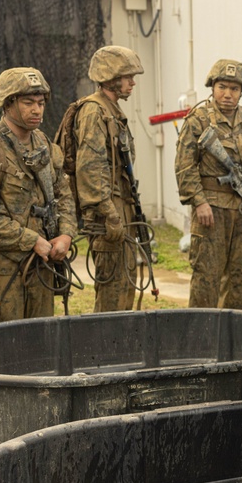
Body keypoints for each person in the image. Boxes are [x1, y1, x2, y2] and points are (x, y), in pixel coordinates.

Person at [0, 67, 76, 323]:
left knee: (41, 344)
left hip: (42, 267)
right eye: (28, 103)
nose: (36, 110)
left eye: (40, 103)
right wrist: (31, 240)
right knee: (2, 349)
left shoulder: (44, 144)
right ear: (8, 103)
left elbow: (63, 195)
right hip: (2, 272)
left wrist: (66, 234)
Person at [175, 59, 242, 309]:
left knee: (239, 278)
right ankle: (200, 342)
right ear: (212, 87)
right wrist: (199, 202)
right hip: (212, 209)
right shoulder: (198, 119)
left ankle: (231, 340)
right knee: (207, 278)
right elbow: (185, 165)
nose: (228, 94)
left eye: (234, 89)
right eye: (222, 87)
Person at [72, 45, 146, 312]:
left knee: (126, 283)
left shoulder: (111, 110)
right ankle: (103, 351)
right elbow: (90, 168)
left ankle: (121, 350)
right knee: (112, 292)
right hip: (109, 214)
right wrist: (109, 213)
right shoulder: (94, 111)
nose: (133, 82)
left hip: (121, 207)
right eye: (128, 77)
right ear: (111, 77)